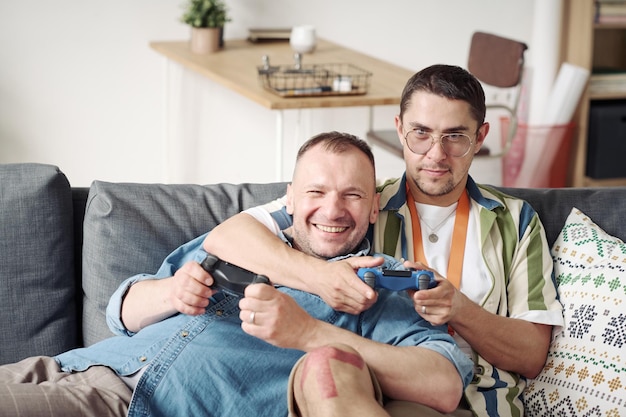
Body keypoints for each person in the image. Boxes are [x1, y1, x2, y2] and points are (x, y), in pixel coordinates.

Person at [0, 132, 473, 417]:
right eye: (316, 191)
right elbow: (120, 312)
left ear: (374, 208)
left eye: (352, 196)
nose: (332, 209)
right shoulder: (246, 240)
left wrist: (307, 332)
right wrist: (170, 291)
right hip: (67, 365)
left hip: (131, 402)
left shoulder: (381, 282)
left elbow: (444, 383)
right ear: (289, 198)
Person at [203, 65, 564, 417]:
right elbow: (229, 236)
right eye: (420, 133)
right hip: (375, 391)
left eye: (455, 136)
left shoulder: (515, 221)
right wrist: (321, 277)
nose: (436, 154)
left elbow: (532, 356)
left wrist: (460, 309)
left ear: (480, 136)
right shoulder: (355, 201)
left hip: (480, 403)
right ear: (399, 129)